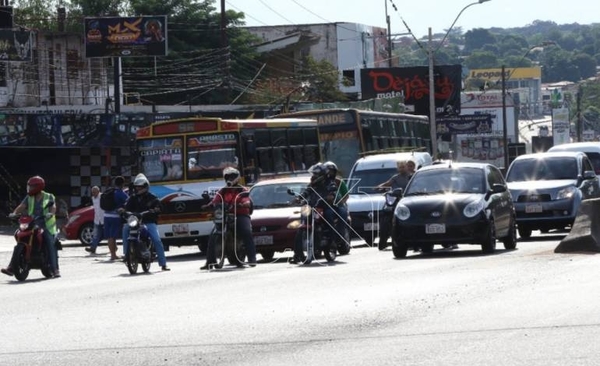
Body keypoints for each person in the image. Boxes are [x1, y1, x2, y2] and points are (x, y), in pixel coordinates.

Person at [1, 176, 60, 278]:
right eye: (30, 186)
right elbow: (21, 206)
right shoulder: (29, 197)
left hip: (46, 225)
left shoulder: (49, 196)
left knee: (50, 243)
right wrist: (14, 213)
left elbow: (53, 206)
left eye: (32, 186)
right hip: (32, 223)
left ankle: (55, 269)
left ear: (38, 187)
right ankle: (12, 267)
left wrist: (51, 213)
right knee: (20, 235)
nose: (30, 188)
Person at [200, 167, 256, 270]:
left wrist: (244, 204)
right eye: (228, 177)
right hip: (225, 215)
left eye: (232, 176)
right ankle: (209, 262)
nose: (230, 178)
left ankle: (252, 258)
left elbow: (246, 199)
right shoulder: (223, 190)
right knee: (213, 234)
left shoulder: (242, 190)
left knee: (246, 231)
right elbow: (216, 200)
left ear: (237, 178)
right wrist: (209, 205)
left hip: (240, 214)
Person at [121, 173, 170, 271]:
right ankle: (126, 254)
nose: (138, 189)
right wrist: (122, 211)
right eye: (137, 187)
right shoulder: (133, 197)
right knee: (125, 229)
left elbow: (159, 206)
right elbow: (126, 207)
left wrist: (156, 209)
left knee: (156, 240)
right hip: (135, 222)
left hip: (148, 221)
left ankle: (163, 263)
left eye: (140, 187)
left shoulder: (152, 197)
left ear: (146, 187)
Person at [322, 161, 350, 243]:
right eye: (327, 171)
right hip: (324, 206)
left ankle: (339, 236)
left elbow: (346, 196)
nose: (329, 173)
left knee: (342, 213)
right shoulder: (321, 182)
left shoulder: (339, 181)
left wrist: (339, 202)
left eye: (331, 171)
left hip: (338, 205)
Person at [103, 176, 128, 261]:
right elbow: (129, 201)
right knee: (113, 237)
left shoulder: (109, 191)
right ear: (123, 184)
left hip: (106, 216)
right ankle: (113, 255)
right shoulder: (121, 193)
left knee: (109, 236)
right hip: (115, 217)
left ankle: (113, 254)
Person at [85, 186, 104, 254]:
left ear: (98, 191)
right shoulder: (93, 198)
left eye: (95, 192)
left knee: (107, 235)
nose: (93, 193)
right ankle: (93, 248)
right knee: (96, 234)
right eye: (92, 192)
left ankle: (113, 248)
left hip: (103, 218)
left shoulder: (102, 197)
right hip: (97, 219)